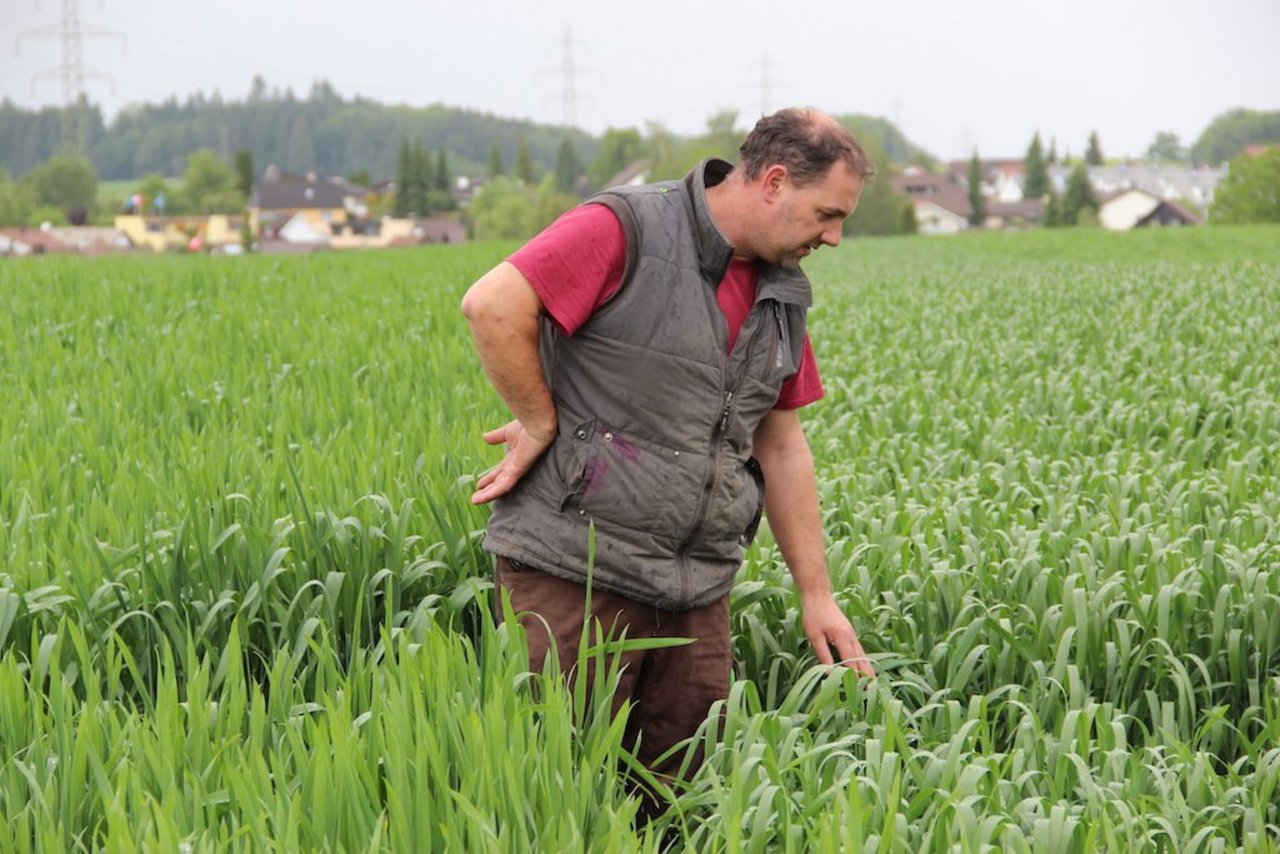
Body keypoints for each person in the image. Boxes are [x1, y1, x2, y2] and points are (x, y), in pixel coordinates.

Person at [460, 107, 876, 805]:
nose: (834, 237)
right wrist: (538, 419)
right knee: (555, 799)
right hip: (577, 574)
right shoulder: (627, 226)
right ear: (773, 182)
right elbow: (493, 304)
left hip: (695, 592)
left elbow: (781, 444)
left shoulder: (781, 294)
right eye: (827, 214)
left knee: (677, 806)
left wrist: (817, 593)